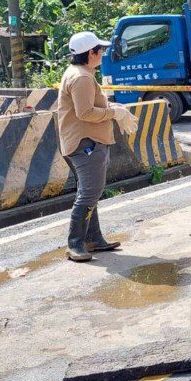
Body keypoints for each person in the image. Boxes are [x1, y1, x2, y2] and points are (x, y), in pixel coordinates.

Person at [56, 31, 134, 262]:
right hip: (86, 143)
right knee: (90, 192)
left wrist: (114, 108)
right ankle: (75, 244)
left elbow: (91, 104)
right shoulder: (81, 78)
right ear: (91, 53)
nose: (103, 53)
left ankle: (93, 238)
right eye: (100, 50)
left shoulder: (81, 73)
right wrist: (114, 113)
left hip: (83, 141)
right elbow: (85, 112)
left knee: (92, 191)